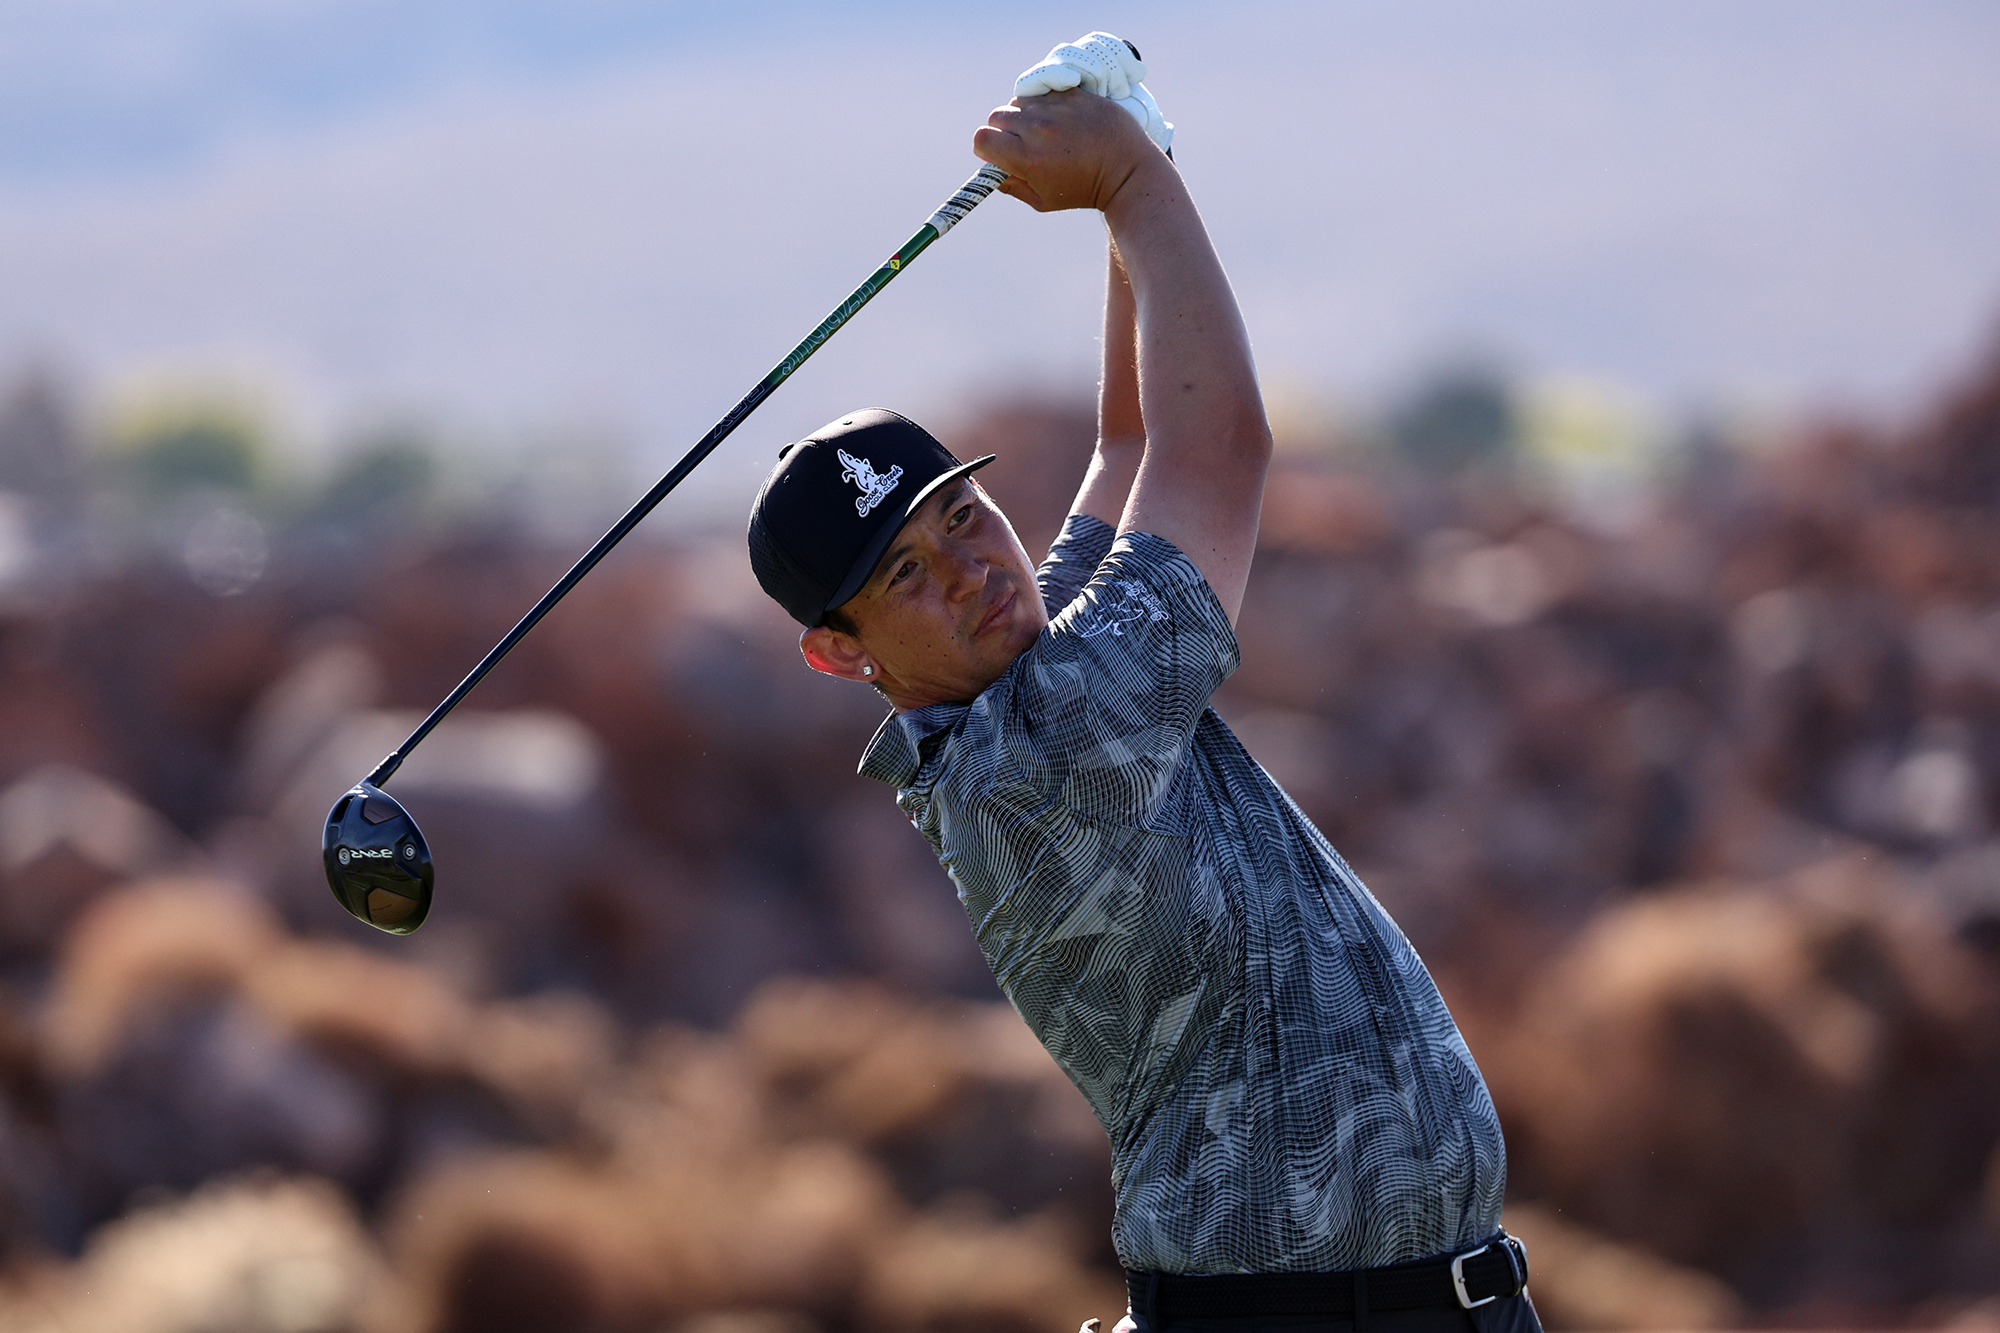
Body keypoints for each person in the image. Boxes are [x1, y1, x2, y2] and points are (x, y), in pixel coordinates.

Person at [746, 39, 1538, 1333]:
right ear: (843, 652)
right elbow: (1216, 447)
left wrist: (1139, 160)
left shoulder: (1027, 678)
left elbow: (1129, 442)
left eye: (963, 517)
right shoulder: (1046, 750)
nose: (970, 570)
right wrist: (1121, 183)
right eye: (905, 575)